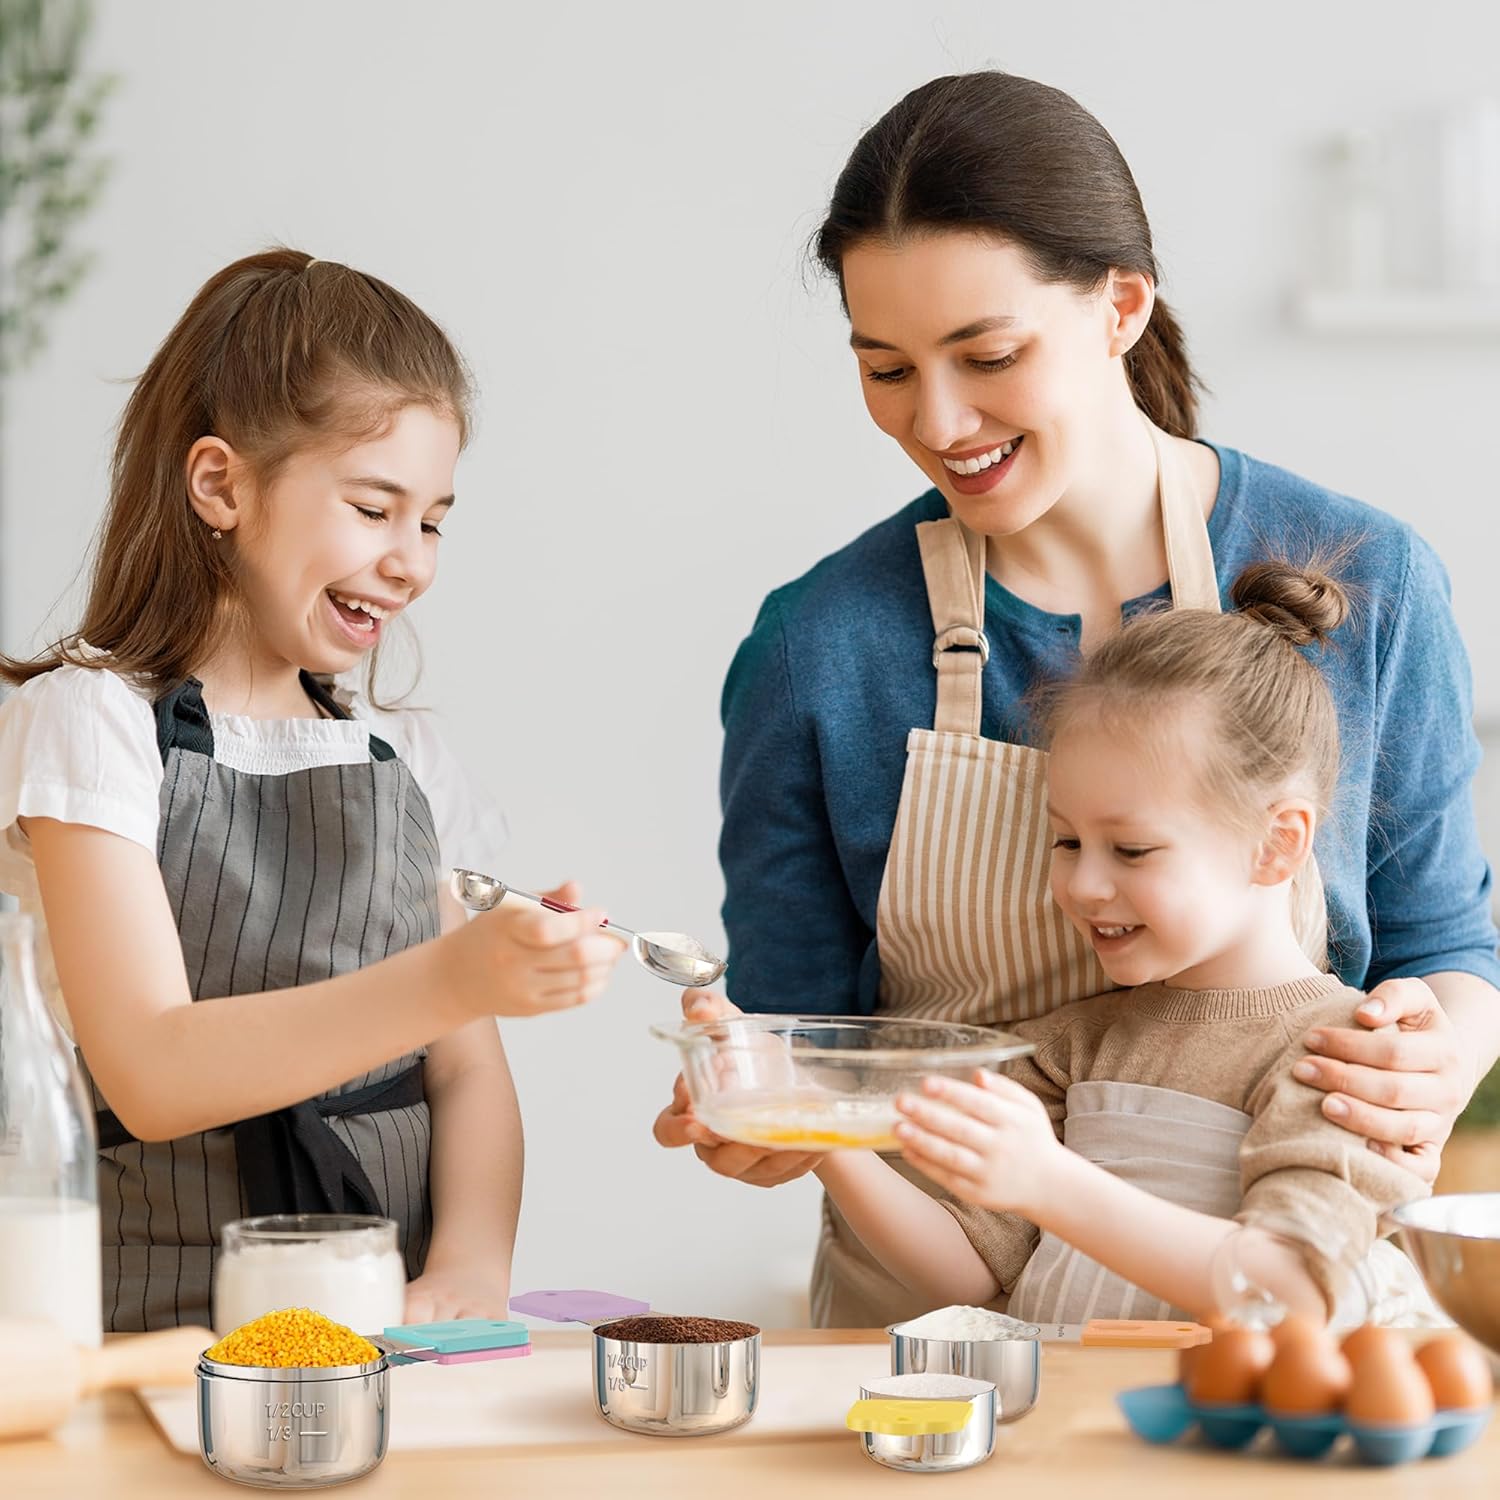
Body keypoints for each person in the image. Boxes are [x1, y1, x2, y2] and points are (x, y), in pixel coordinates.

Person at [654, 72, 1499, 1327]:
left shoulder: (1362, 573)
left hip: (1266, 1331)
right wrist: (765, 1112)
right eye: (886, 369)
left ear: (1120, 306)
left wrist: (1439, 1047)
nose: (938, 422)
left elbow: (1447, 947)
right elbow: (806, 1047)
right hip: (931, 1338)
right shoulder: (817, 648)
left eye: (987, 356)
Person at [0, 250, 624, 1331]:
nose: (412, 561)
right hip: (154, 1336)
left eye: (431, 521)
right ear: (221, 485)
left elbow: (467, 1077)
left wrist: (470, 1272)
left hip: (390, 1339)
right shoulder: (93, 724)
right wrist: (455, 977)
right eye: (375, 508)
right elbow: (150, 1069)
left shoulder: (397, 754)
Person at [818, 560, 1435, 1328]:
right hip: (1062, 1437)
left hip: (1219, 1441)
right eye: (1067, 841)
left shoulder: (1344, 1057)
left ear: (1277, 844)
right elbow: (968, 1275)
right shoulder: (1072, 1045)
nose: (1081, 885)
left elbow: (1291, 1293)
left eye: (1133, 850)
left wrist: (1050, 1183)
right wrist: (815, 1135)